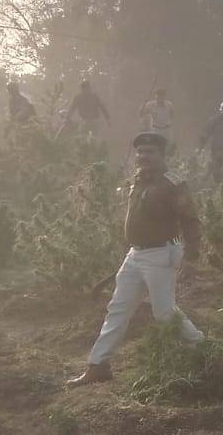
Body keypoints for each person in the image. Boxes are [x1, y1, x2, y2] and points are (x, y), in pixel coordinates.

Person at [67, 132, 203, 386]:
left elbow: (190, 220)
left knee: (164, 311)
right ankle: (98, 365)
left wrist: (191, 255)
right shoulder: (137, 181)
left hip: (161, 254)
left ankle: (201, 348)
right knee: (117, 308)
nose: (143, 157)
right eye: (140, 152)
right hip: (135, 255)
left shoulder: (173, 185)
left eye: (150, 152)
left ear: (163, 155)